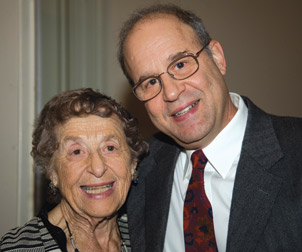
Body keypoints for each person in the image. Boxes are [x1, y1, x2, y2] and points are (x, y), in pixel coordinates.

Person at [117, 3, 302, 252]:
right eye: (150, 82)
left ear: (217, 58)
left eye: (181, 64)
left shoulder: (295, 151)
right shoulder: (135, 171)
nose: (171, 92)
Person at [0, 88, 148, 252]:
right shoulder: (18, 248)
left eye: (110, 148)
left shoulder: (149, 235)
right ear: (52, 172)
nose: (98, 168)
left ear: (133, 163)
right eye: (77, 151)